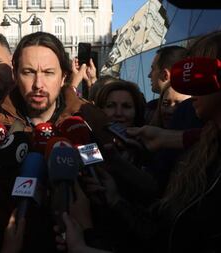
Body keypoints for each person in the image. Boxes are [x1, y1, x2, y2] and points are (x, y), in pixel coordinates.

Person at [0, 32, 115, 253]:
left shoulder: (90, 118)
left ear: (64, 77)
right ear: (15, 74)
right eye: (28, 72)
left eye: (48, 72)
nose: (38, 84)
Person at [88, 31, 221, 253]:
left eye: (198, 73)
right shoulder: (204, 147)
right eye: (110, 106)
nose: (187, 88)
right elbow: (162, 230)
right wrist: (115, 200)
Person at [146, 46, 187, 123]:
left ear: (165, 75)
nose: (149, 75)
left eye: (153, 69)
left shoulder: (148, 111)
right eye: (165, 103)